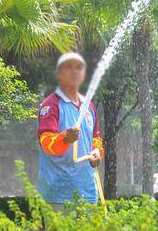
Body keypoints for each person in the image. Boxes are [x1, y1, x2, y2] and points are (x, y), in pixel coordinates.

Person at [37, 52, 104, 210]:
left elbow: (96, 137)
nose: (74, 72)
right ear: (58, 73)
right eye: (68, 67)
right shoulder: (51, 105)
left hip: (87, 192)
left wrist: (96, 151)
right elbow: (46, 142)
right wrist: (65, 139)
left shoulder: (89, 106)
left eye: (79, 68)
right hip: (58, 194)